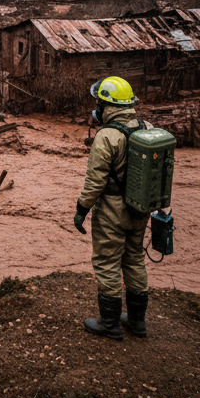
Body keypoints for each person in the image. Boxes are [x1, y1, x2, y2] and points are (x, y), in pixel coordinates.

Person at [73, 75, 151, 340]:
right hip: (140, 208)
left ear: (106, 105)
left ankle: (109, 324)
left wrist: (81, 210)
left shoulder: (106, 136)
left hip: (111, 210)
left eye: (99, 103)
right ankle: (137, 323)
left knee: (107, 262)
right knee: (134, 259)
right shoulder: (147, 128)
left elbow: (95, 182)